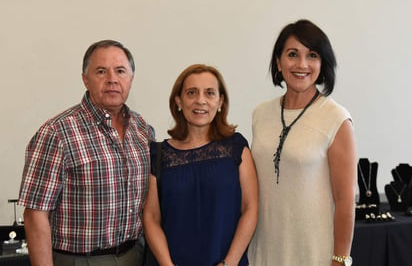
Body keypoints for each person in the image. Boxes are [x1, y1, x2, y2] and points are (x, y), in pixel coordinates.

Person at [17, 40, 155, 266]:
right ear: (85, 79)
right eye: (101, 71)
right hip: (79, 260)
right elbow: (35, 214)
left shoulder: (142, 130)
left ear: (131, 79)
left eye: (120, 71)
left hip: (135, 255)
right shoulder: (57, 132)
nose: (112, 79)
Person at [248, 20, 357, 266]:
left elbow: (345, 200)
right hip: (264, 251)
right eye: (292, 54)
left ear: (322, 64)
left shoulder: (336, 119)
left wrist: (341, 260)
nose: (301, 64)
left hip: (314, 254)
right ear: (278, 62)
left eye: (312, 55)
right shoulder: (260, 115)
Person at [143, 64, 258, 266]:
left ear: (220, 101)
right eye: (191, 93)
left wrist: (229, 263)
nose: (201, 100)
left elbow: (250, 209)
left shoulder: (236, 148)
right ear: (179, 101)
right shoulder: (159, 154)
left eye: (210, 93)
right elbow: (151, 217)